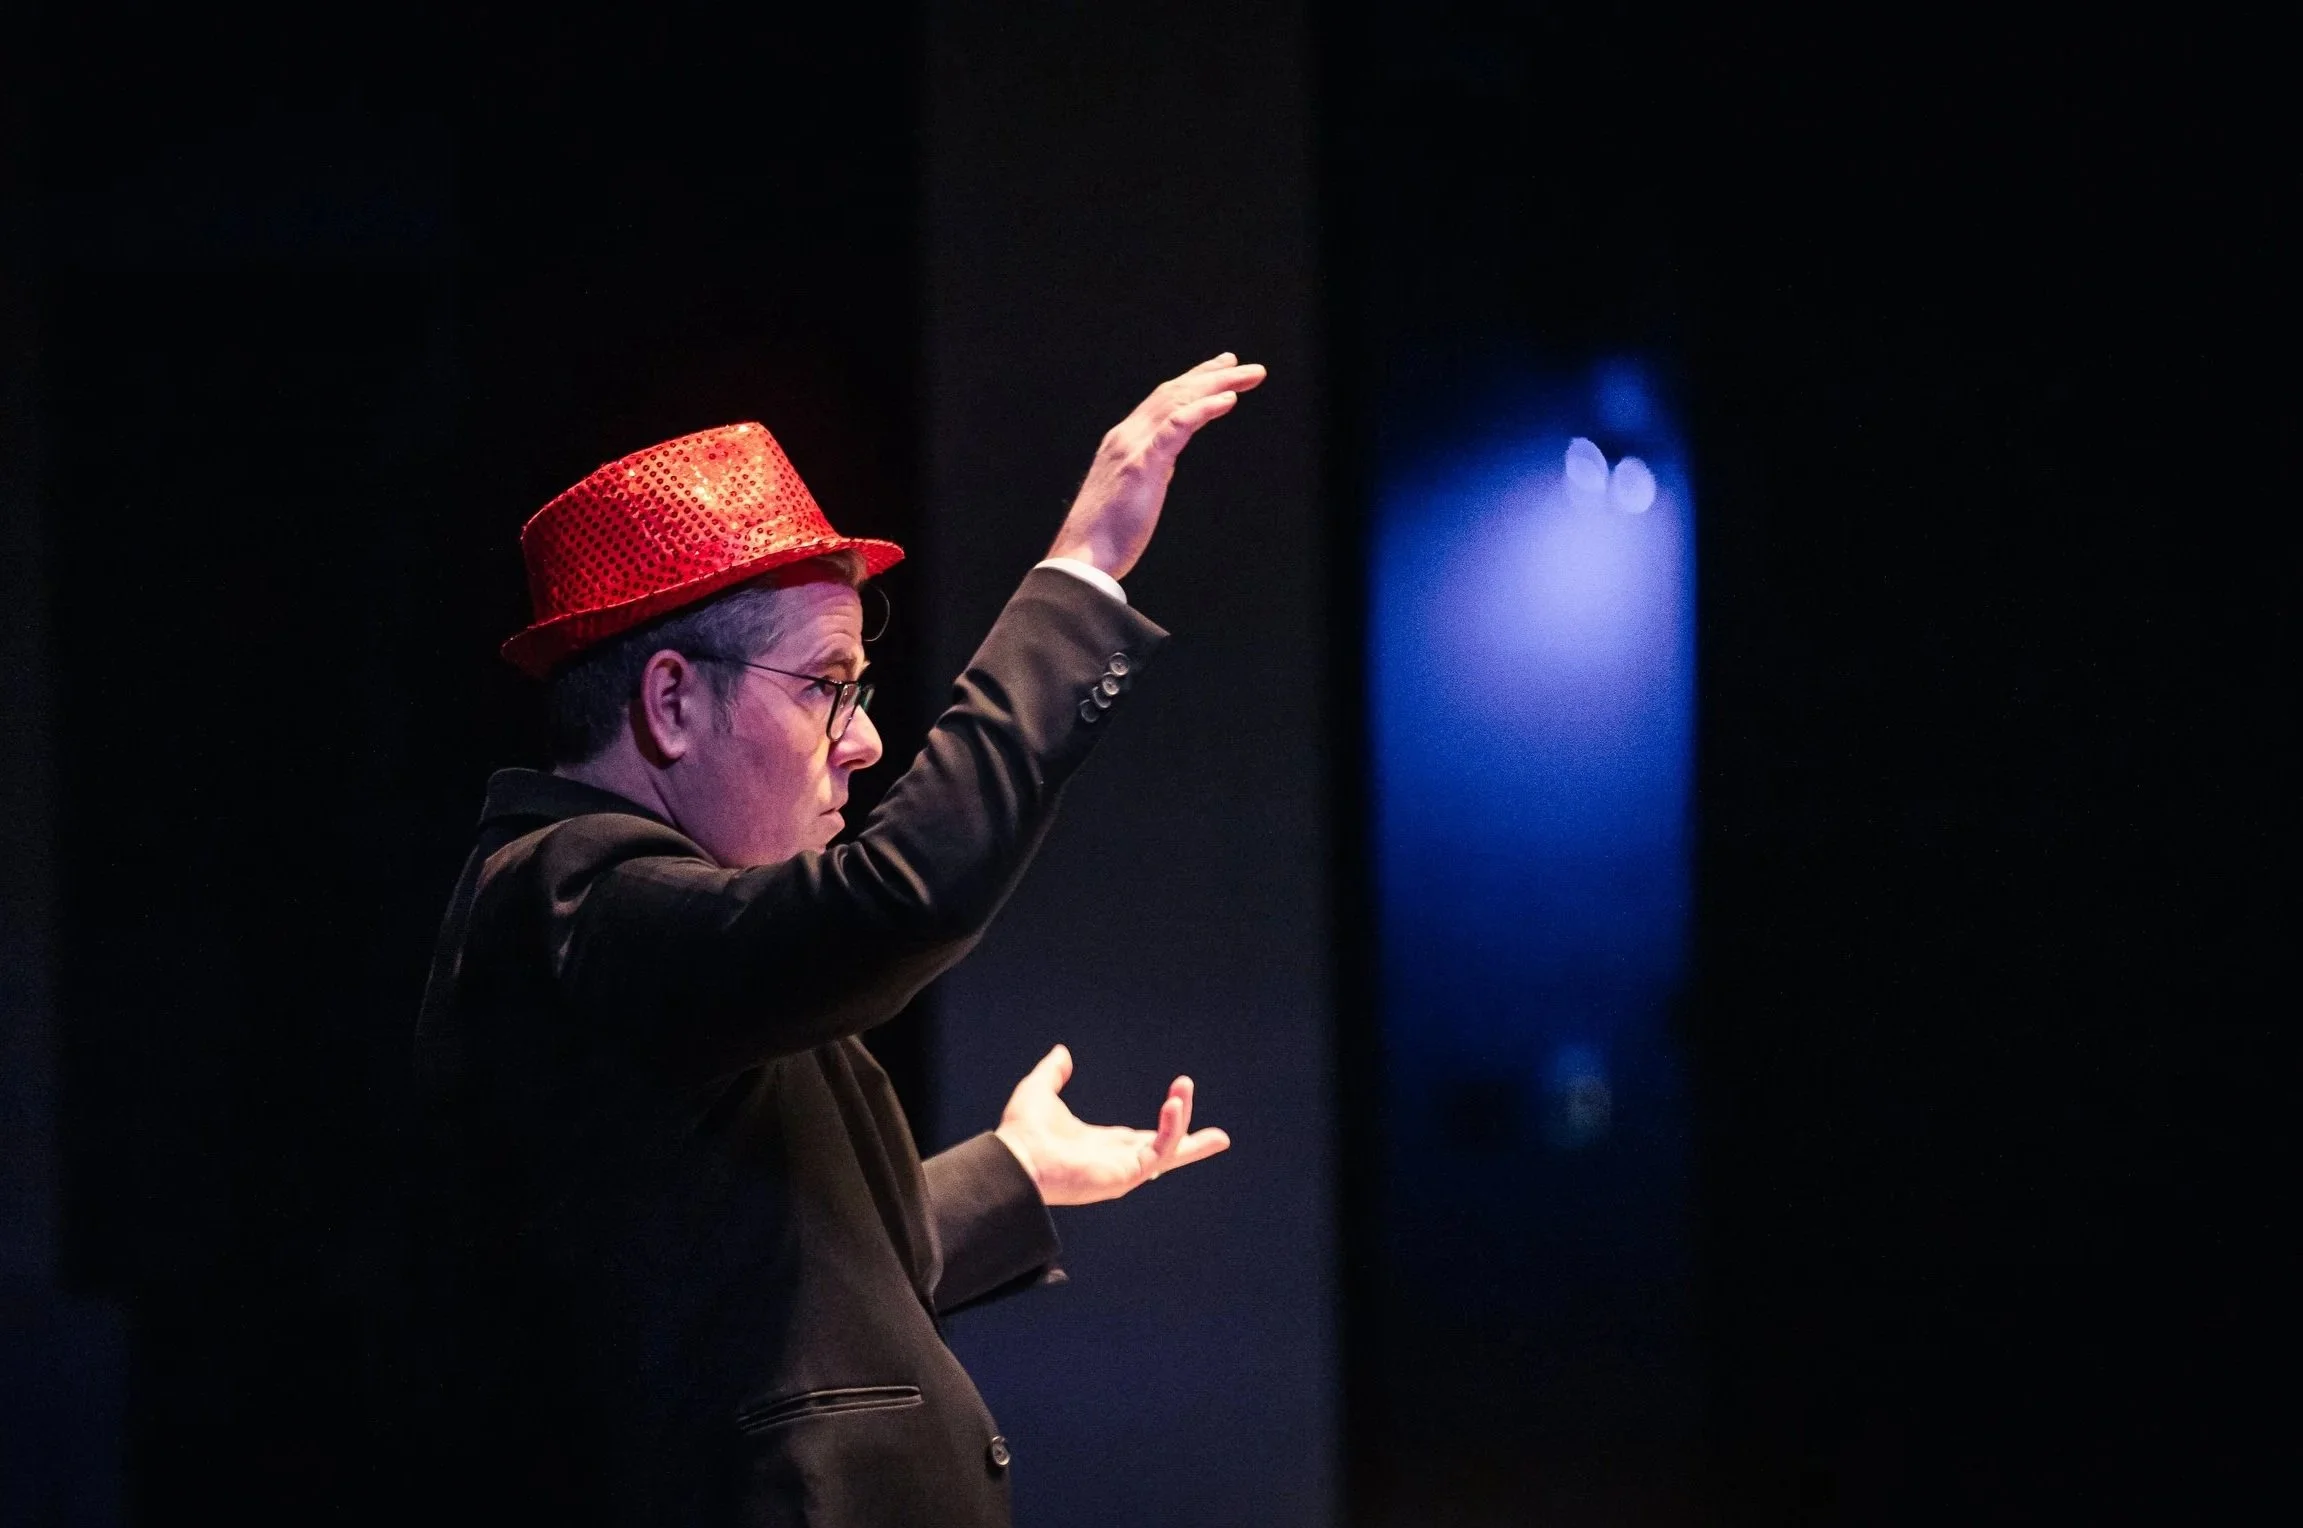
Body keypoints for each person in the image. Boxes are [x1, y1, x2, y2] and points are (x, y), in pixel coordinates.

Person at [412, 354, 1264, 1526]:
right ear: (670, 701)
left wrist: (1013, 1171)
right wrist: (1081, 574)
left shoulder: (666, 926)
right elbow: (902, 895)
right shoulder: (566, 899)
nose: (861, 743)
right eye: (825, 686)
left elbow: (761, 1267)